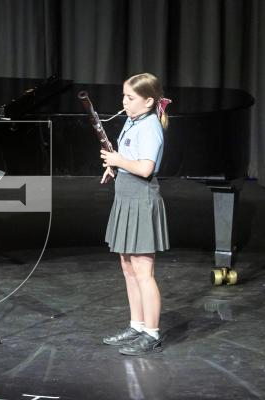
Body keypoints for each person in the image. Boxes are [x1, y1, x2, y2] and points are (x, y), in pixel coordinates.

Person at [99, 72, 171, 356]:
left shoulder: (150, 125)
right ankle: (136, 325)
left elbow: (145, 168)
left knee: (143, 272)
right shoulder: (133, 120)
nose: (124, 102)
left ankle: (151, 333)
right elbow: (131, 159)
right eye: (124, 97)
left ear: (148, 101)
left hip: (141, 200)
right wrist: (114, 166)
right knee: (128, 268)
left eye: (130, 98)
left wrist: (119, 160)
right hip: (125, 198)